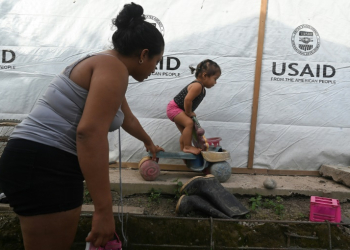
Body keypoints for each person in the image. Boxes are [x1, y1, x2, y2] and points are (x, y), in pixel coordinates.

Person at [0, 2, 164, 250]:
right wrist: (103, 210)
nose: (155, 69)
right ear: (143, 54)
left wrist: (148, 142)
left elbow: (126, 118)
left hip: (36, 159)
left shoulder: (108, 65)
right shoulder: (113, 68)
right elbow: (89, 133)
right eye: (156, 61)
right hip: (46, 164)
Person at [166, 60, 221, 155]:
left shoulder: (201, 87)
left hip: (177, 109)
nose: (215, 82)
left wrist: (188, 112)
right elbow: (187, 100)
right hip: (174, 108)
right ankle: (187, 147)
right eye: (215, 79)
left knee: (186, 131)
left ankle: (184, 149)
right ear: (204, 75)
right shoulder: (197, 86)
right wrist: (189, 113)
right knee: (189, 124)